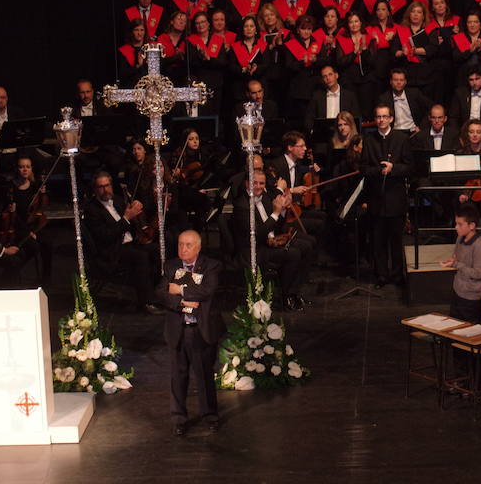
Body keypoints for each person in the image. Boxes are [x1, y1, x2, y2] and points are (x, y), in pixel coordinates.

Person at [157, 230, 225, 436]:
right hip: (178, 329)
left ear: (198, 247)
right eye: (180, 244)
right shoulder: (170, 266)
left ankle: (210, 416)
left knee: (204, 375)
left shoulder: (212, 266)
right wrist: (182, 302)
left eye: (188, 245)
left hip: (200, 330)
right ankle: (179, 418)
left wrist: (180, 290)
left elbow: (207, 291)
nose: (183, 249)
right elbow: (160, 293)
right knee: (178, 377)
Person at [231, 169, 316, 311]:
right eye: (254, 183)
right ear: (247, 183)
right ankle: (287, 296)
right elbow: (257, 235)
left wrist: (282, 210)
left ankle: (295, 291)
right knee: (293, 253)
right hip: (254, 249)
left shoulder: (263, 197)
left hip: (270, 241)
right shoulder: (241, 205)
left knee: (307, 244)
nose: (258, 186)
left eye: (261, 183)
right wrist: (276, 212)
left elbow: (277, 225)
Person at [82, 171, 159, 313]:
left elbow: (130, 223)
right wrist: (126, 218)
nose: (105, 190)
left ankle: (155, 293)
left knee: (155, 249)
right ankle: (145, 302)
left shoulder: (117, 200)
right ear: (95, 189)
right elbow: (105, 236)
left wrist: (135, 212)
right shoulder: (92, 209)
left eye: (107, 185)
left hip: (129, 242)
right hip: (112, 249)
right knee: (140, 256)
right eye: (101, 187)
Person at [361, 103, 412, 288]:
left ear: (391, 118)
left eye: (385, 116)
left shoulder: (401, 138)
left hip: (396, 197)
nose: (381, 120)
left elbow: (409, 166)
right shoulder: (369, 139)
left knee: (396, 241)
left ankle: (398, 275)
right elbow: (364, 168)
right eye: (378, 117)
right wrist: (379, 171)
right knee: (378, 241)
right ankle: (381, 276)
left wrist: (393, 169)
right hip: (376, 197)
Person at [0, 169, 33, 283]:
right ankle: (5, 286)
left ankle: (4, 282)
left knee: (27, 248)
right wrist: (3, 250)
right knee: (14, 260)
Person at [440, 204, 481, 324]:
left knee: (467, 332)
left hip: (471, 297)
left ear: (472, 225)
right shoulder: (460, 238)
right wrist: (452, 262)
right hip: (458, 292)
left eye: (460, 224)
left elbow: (479, 273)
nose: (456, 227)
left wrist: (456, 264)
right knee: (454, 328)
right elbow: (457, 259)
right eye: (456, 223)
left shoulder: (478, 245)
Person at [391, 1, 439, 94]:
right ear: (409, 14)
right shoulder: (401, 30)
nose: (415, 14)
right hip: (407, 74)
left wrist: (416, 51)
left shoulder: (430, 30)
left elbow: (433, 49)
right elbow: (393, 50)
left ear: (424, 16)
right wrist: (401, 53)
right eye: (413, 11)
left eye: (419, 12)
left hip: (426, 75)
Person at [336, 11, 378, 114]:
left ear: (361, 23)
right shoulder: (341, 39)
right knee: (351, 109)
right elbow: (340, 62)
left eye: (356, 21)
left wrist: (364, 50)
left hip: (366, 79)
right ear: (347, 24)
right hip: (348, 79)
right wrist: (354, 52)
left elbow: (373, 61)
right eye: (351, 22)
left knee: (366, 109)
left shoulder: (369, 38)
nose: (354, 24)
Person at [284, 15, 325, 119]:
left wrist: (316, 60)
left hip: (316, 87)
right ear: (298, 30)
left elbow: (326, 61)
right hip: (299, 89)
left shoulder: (318, 42)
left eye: (309, 29)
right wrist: (303, 62)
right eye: (303, 29)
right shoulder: (291, 44)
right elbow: (288, 66)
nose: (306, 32)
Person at [187, 11, 228, 117]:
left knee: (215, 114)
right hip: (198, 83)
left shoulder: (218, 40)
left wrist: (209, 59)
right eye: (197, 23)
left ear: (208, 23)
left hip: (216, 84)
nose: (201, 25)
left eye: (203, 22)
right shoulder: (190, 41)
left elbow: (223, 62)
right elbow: (190, 63)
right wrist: (201, 58)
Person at [305, 64, 361, 132]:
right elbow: (309, 117)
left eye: (330, 74)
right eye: (324, 76)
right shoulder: (317, 96)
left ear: (336, 75)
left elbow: (356, 117)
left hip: (344, 134)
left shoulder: (349, 96)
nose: (328, 78)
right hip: (323, 134)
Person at [376, 68, 431, 134]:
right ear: (391, 81)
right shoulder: (384, 98)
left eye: (401, 80)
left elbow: (431, 108)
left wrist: (422, 127)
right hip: (394, 133)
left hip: (414, 132)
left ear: (405, 82)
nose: (398, 82)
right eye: (395, 80)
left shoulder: (414, 93)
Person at [117, 18, 148, 87]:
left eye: (142, 30)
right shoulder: (124, 50)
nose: (139, 33)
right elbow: (123, 74)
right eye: (136, 30)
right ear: (131, 32)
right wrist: (138, 66)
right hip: (130, 87)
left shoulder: (150, 49)